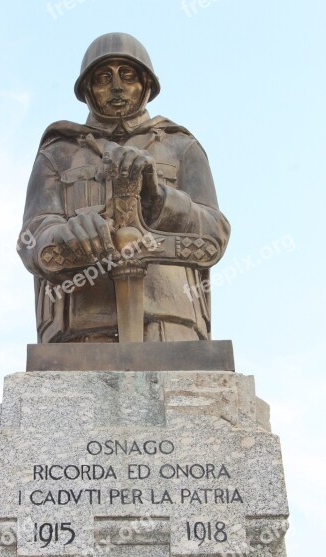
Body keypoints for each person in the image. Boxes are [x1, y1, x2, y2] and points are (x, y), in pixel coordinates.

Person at [17, 32, 230, 343]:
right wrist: (67, 235)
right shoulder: (58, 152)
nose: (116, 86)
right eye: (104, 77)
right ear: (88, 88)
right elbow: (31, 238)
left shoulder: (181, 147)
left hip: (171, 327)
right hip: (82, 332)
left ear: (145, 84)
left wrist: (159, 201)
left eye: (127, 75)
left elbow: (215, 233)